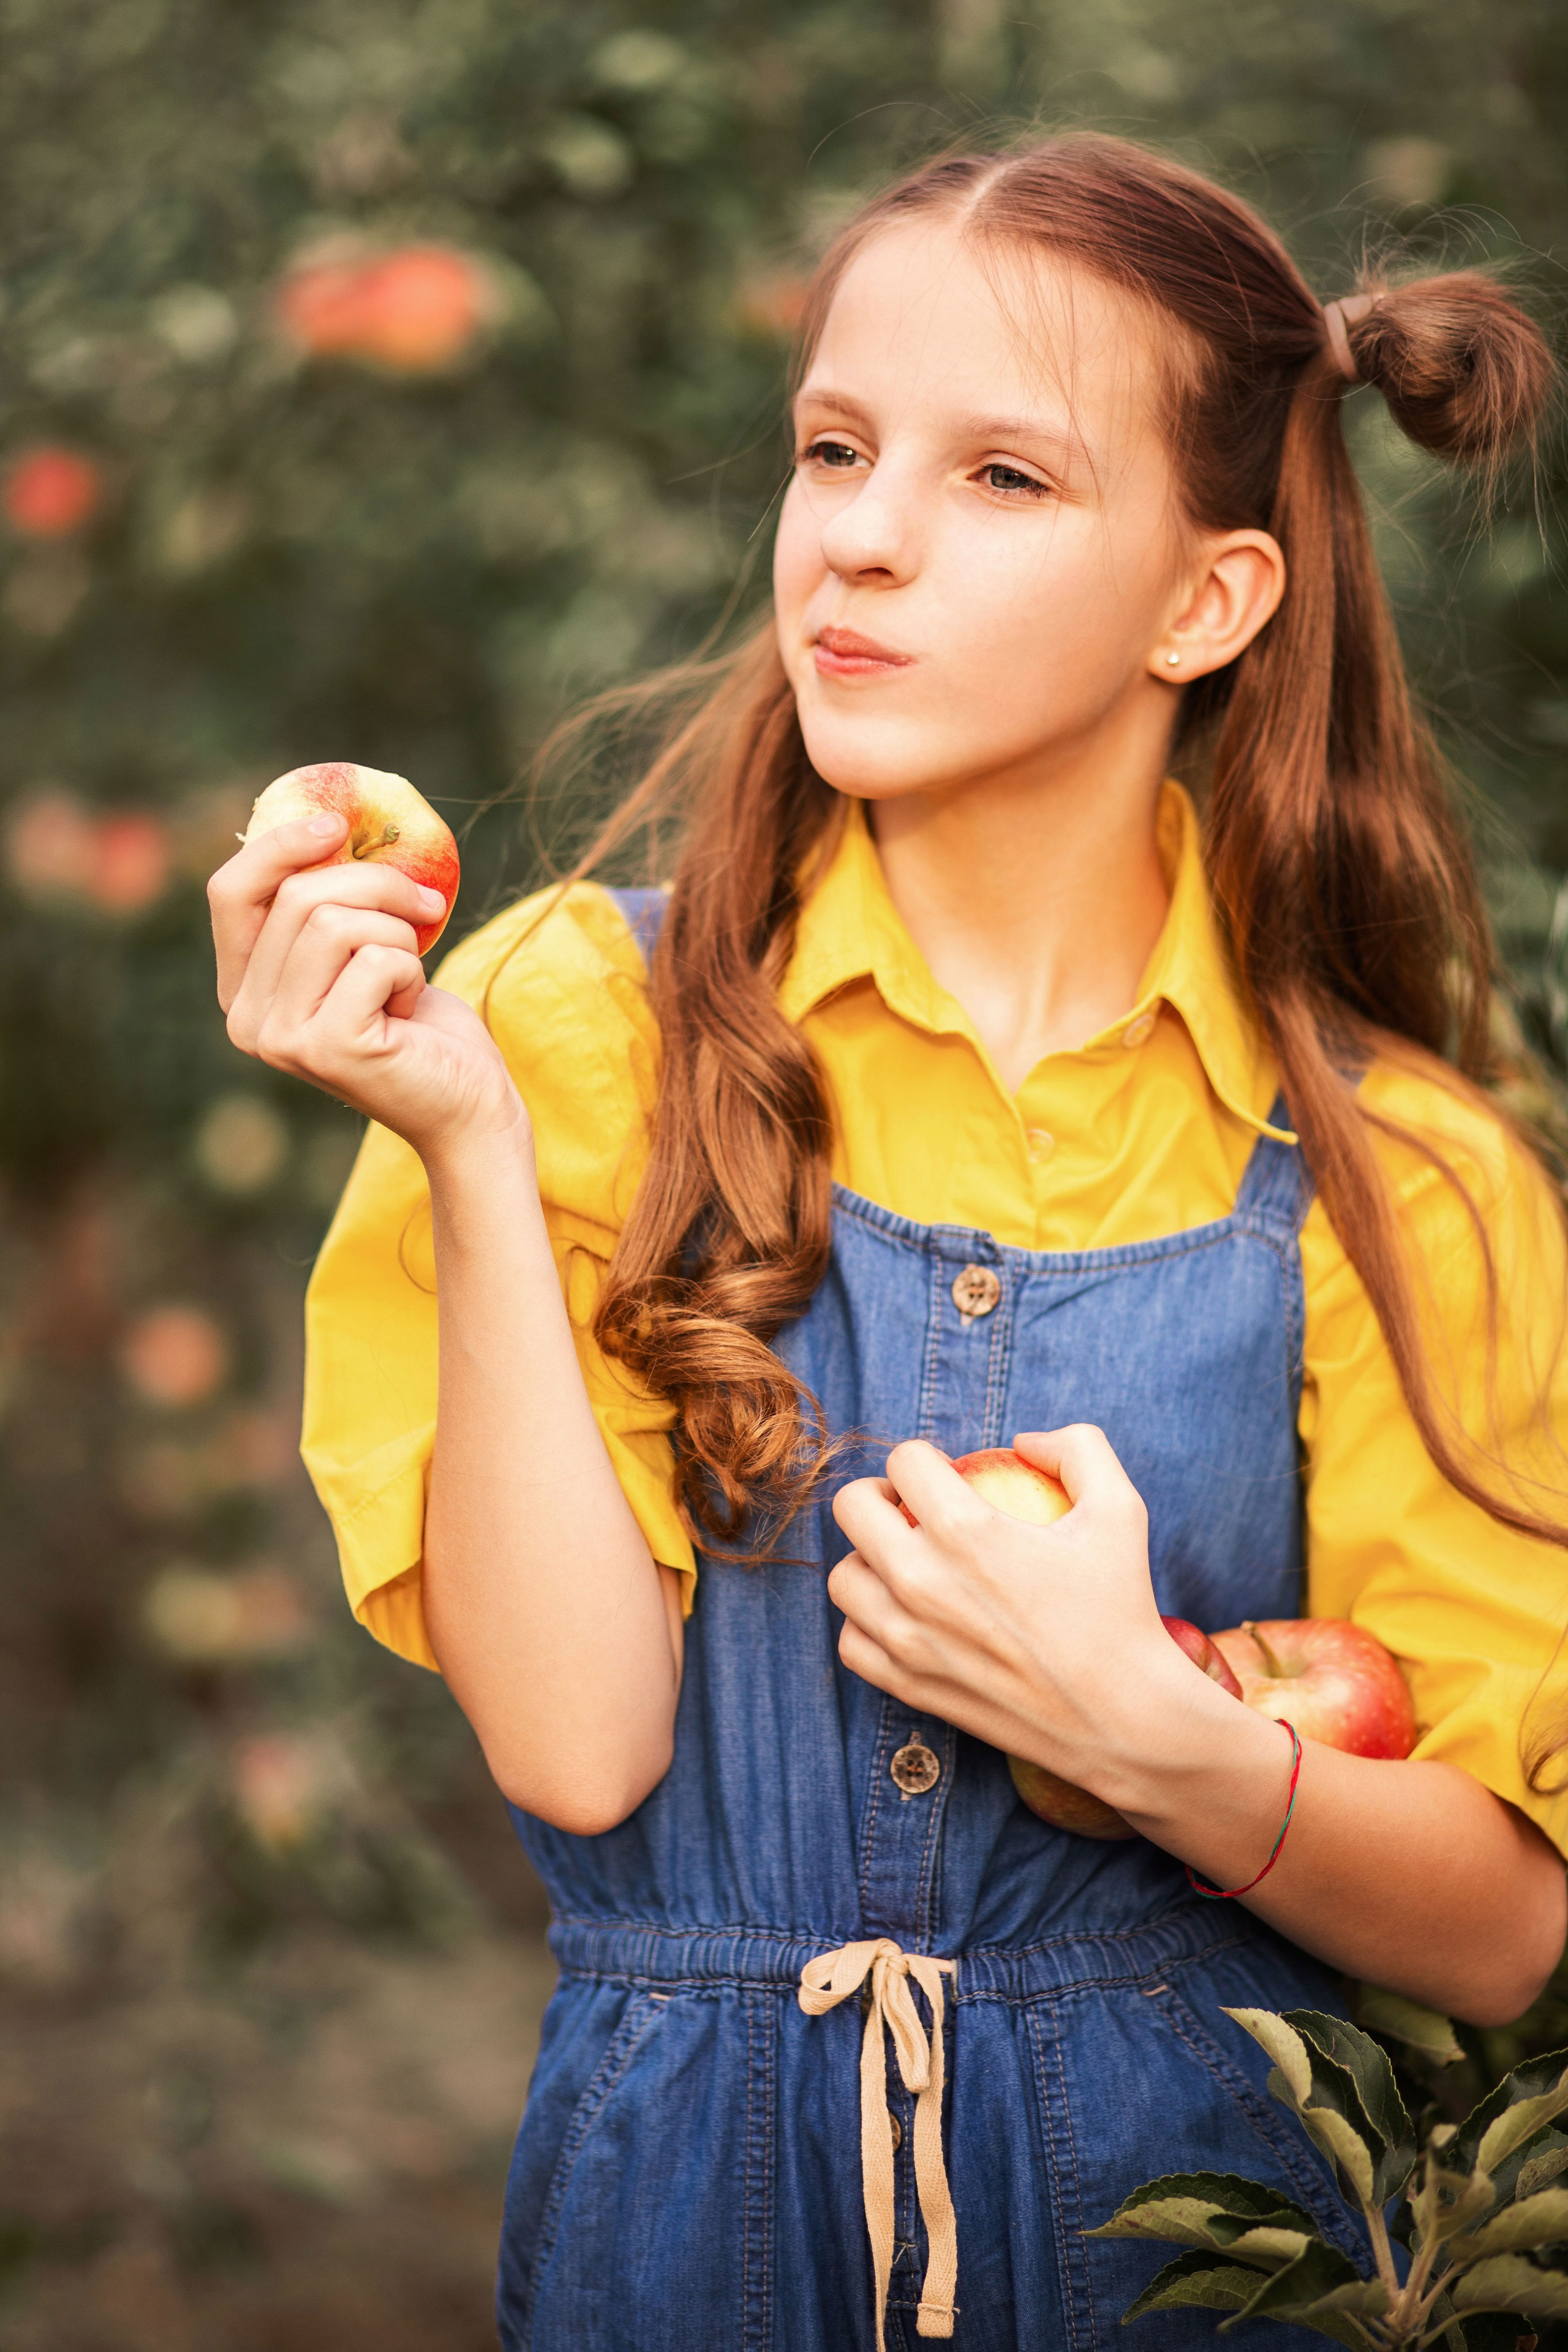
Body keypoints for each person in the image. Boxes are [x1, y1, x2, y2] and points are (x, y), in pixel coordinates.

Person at [209, 132, 1568, 2352]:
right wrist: (457, 1137)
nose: (859, 532)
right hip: (683, 2248)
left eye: (1003, 480)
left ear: (1207, 602)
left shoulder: (1403, 1181)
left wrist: (1163, 1742)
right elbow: (576, 1753)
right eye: (835, 446)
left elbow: (1505, 1933)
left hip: (1202, 2264)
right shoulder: (565, 1027)